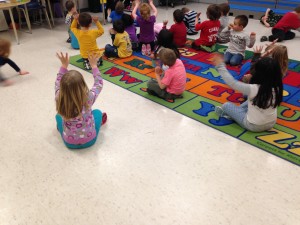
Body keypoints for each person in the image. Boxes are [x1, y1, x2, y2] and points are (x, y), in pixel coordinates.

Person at [212, 54, 283, 132]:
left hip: (253, 126)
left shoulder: (254, 89)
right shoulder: (277, 87)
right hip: (271, 123)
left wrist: (220, 66)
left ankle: (230, 116)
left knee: (226, 105)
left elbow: (232, 83)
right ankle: (234, 114)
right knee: (249, 101)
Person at [55, 52, 107, 149]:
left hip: (69, 143)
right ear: (82, 85)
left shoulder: (59, 97)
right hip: (90, 140)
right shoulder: (88, 98)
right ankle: (98, 124)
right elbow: (98, 84)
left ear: (62, 87)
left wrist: (63, 66)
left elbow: (57, 82)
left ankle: (61, 128)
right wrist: (94, 66)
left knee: (58, 116)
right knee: (98, 112)